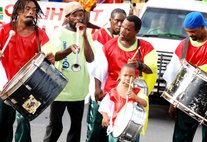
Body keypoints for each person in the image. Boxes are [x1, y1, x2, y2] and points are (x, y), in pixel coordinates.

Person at [163, 11, 207, 142]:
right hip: (187, 97)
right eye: (187, 31)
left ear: (202, 27)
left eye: (193, 31)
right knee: (182, 135)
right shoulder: (183, 46)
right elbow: (173, 74)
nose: (190, 35)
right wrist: (173, 102)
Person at [93, 15, 158, 141]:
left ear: (137, 31)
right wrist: (97, 88)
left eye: (128, 29)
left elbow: (152, 69)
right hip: (111, 94)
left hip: (132, 97)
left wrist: (139, 65)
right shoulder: (109, 45)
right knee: (104, 133)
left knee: (130, 133)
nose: (122, 31)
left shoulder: (146, 47)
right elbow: (98, 68)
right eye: (122, 27)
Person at [0, 0, 54, 142]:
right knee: (3, 124)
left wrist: (50, 56)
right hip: (4, 85)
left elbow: (49, 52)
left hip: (28, 87)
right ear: (18, 11)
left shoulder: (40, 34)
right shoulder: (5, 30)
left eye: (34, 10)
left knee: (23, 123)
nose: (31, 12)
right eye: (27, 8)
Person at [43, 2, 94, 142]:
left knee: (76, 127)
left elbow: (90, 59)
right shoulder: (59, 32)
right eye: (75, 15)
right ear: (68, 16)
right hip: (60, 87)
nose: (78, 18)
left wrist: (84, 36)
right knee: (55, 125)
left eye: (81, 15)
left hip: (78, 89)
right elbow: (56, 56)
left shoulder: (86, 33)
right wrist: (69, 49)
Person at [86, 8, 127, 142]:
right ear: (110, 20)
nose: (120, 25)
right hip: (101, 87)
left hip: (116, 90)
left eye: (123, 22)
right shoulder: (100, 36)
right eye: (117, 21)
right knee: (96, 127)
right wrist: (97, 88)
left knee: (111, 127)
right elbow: (95, 65)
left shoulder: (124, 37)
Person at [99, 63, 147, 142]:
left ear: (135, 77)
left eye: (131, 76)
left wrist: (135, 97)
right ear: (120, 76)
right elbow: (104, 105)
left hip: (131, 129)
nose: (128, 78)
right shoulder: (114, 91)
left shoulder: (137, 91)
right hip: (115, 127)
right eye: (125, 75)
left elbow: (145, 103)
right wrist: (105, 116)